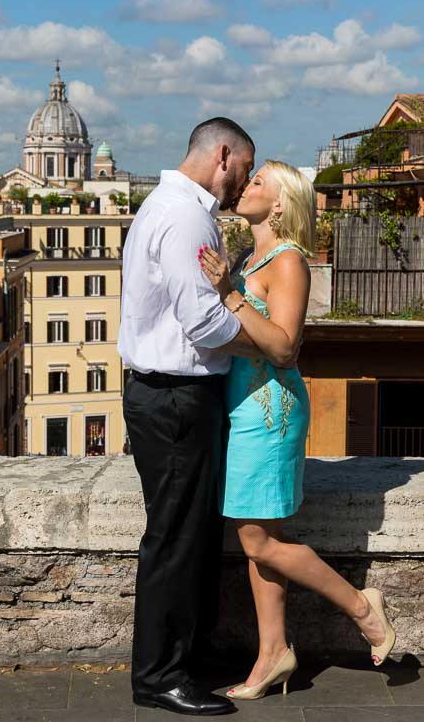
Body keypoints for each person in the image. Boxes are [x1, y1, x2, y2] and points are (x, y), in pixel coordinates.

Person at [199, 160, 396, 701]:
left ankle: (363, 607)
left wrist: (228, 294)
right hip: (243, 407)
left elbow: (285, 347)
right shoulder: (247, 256)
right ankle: (273, 655)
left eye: (259, 181)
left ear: (283, 204)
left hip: (269, 413)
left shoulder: (288, 262)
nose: (246, 186)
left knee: (257, 539)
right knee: (265, 540)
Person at [118, 118, 291, 716]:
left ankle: (182, 657)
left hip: (167, 397)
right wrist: (267, 344)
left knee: (189, 534)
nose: (241, 186)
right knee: (174, 538)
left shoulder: (165, 205)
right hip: (174, 398)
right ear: (224, 156)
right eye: (244, 170)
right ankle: (160, 675)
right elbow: (205, 324)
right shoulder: (188, 216)